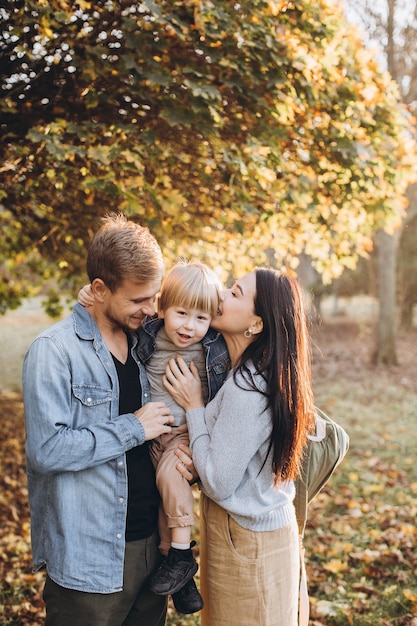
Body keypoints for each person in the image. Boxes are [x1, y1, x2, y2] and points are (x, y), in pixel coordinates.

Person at [22, 214, 175, 626]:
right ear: (99, 289)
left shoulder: (148, 342)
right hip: (88, 556)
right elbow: (47, 449)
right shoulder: (53, 351)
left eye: (155, 296)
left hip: (150, 546)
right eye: (138, 299)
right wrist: (133, 428)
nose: (151, 309)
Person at [163, 268, 315, 626]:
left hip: (248, 543)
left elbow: (218, 481)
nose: (220, 298)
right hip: (252, 532)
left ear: (256, 324)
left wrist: (194, 408)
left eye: (234, 293)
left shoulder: (248, 387)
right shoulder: (257, 370)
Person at [78, 261, 230, 615]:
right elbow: (115, 309)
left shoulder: (215, 344)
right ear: (161, 307)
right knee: (160, 495)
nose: (189, 326)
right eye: (181, 313)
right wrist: (87, 299)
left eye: (201, 318)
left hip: (184, 433)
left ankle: (180, 554)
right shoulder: (148, 331)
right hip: (151, 433)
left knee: (169, 476)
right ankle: (181, 577)